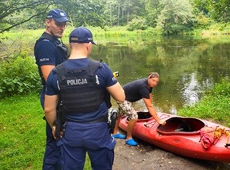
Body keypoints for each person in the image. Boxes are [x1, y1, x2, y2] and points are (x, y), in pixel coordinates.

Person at [44, 27, 125, 170]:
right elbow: (120, 97)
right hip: (98, 131)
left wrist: (55, 127)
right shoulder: (101, 68)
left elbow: (48, 109)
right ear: (89, 45)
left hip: (71, 131)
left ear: (70, 45)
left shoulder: (56, 73)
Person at [34, 9, 69, 170]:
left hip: (60, 97)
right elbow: (51, 79)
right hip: (53, 97)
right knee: (56, 138)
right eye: (58, 23)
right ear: (48, 22)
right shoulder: (45, 45)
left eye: (64, 24)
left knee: (61, 139)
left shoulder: (55, 42)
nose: (62, 27)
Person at [112, 72, 166, 146]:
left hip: (126, 97)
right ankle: (129, 138)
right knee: (134, 117)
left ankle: (114, 133)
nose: (155, 83)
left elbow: (150, 100)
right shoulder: (143, 86)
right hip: (121, 97)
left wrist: (152, 110)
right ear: (149, 78)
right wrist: (158, 120)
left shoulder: (149, 85)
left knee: (120, 114)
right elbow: (149, 106)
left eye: (156, 81)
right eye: (153, 80)